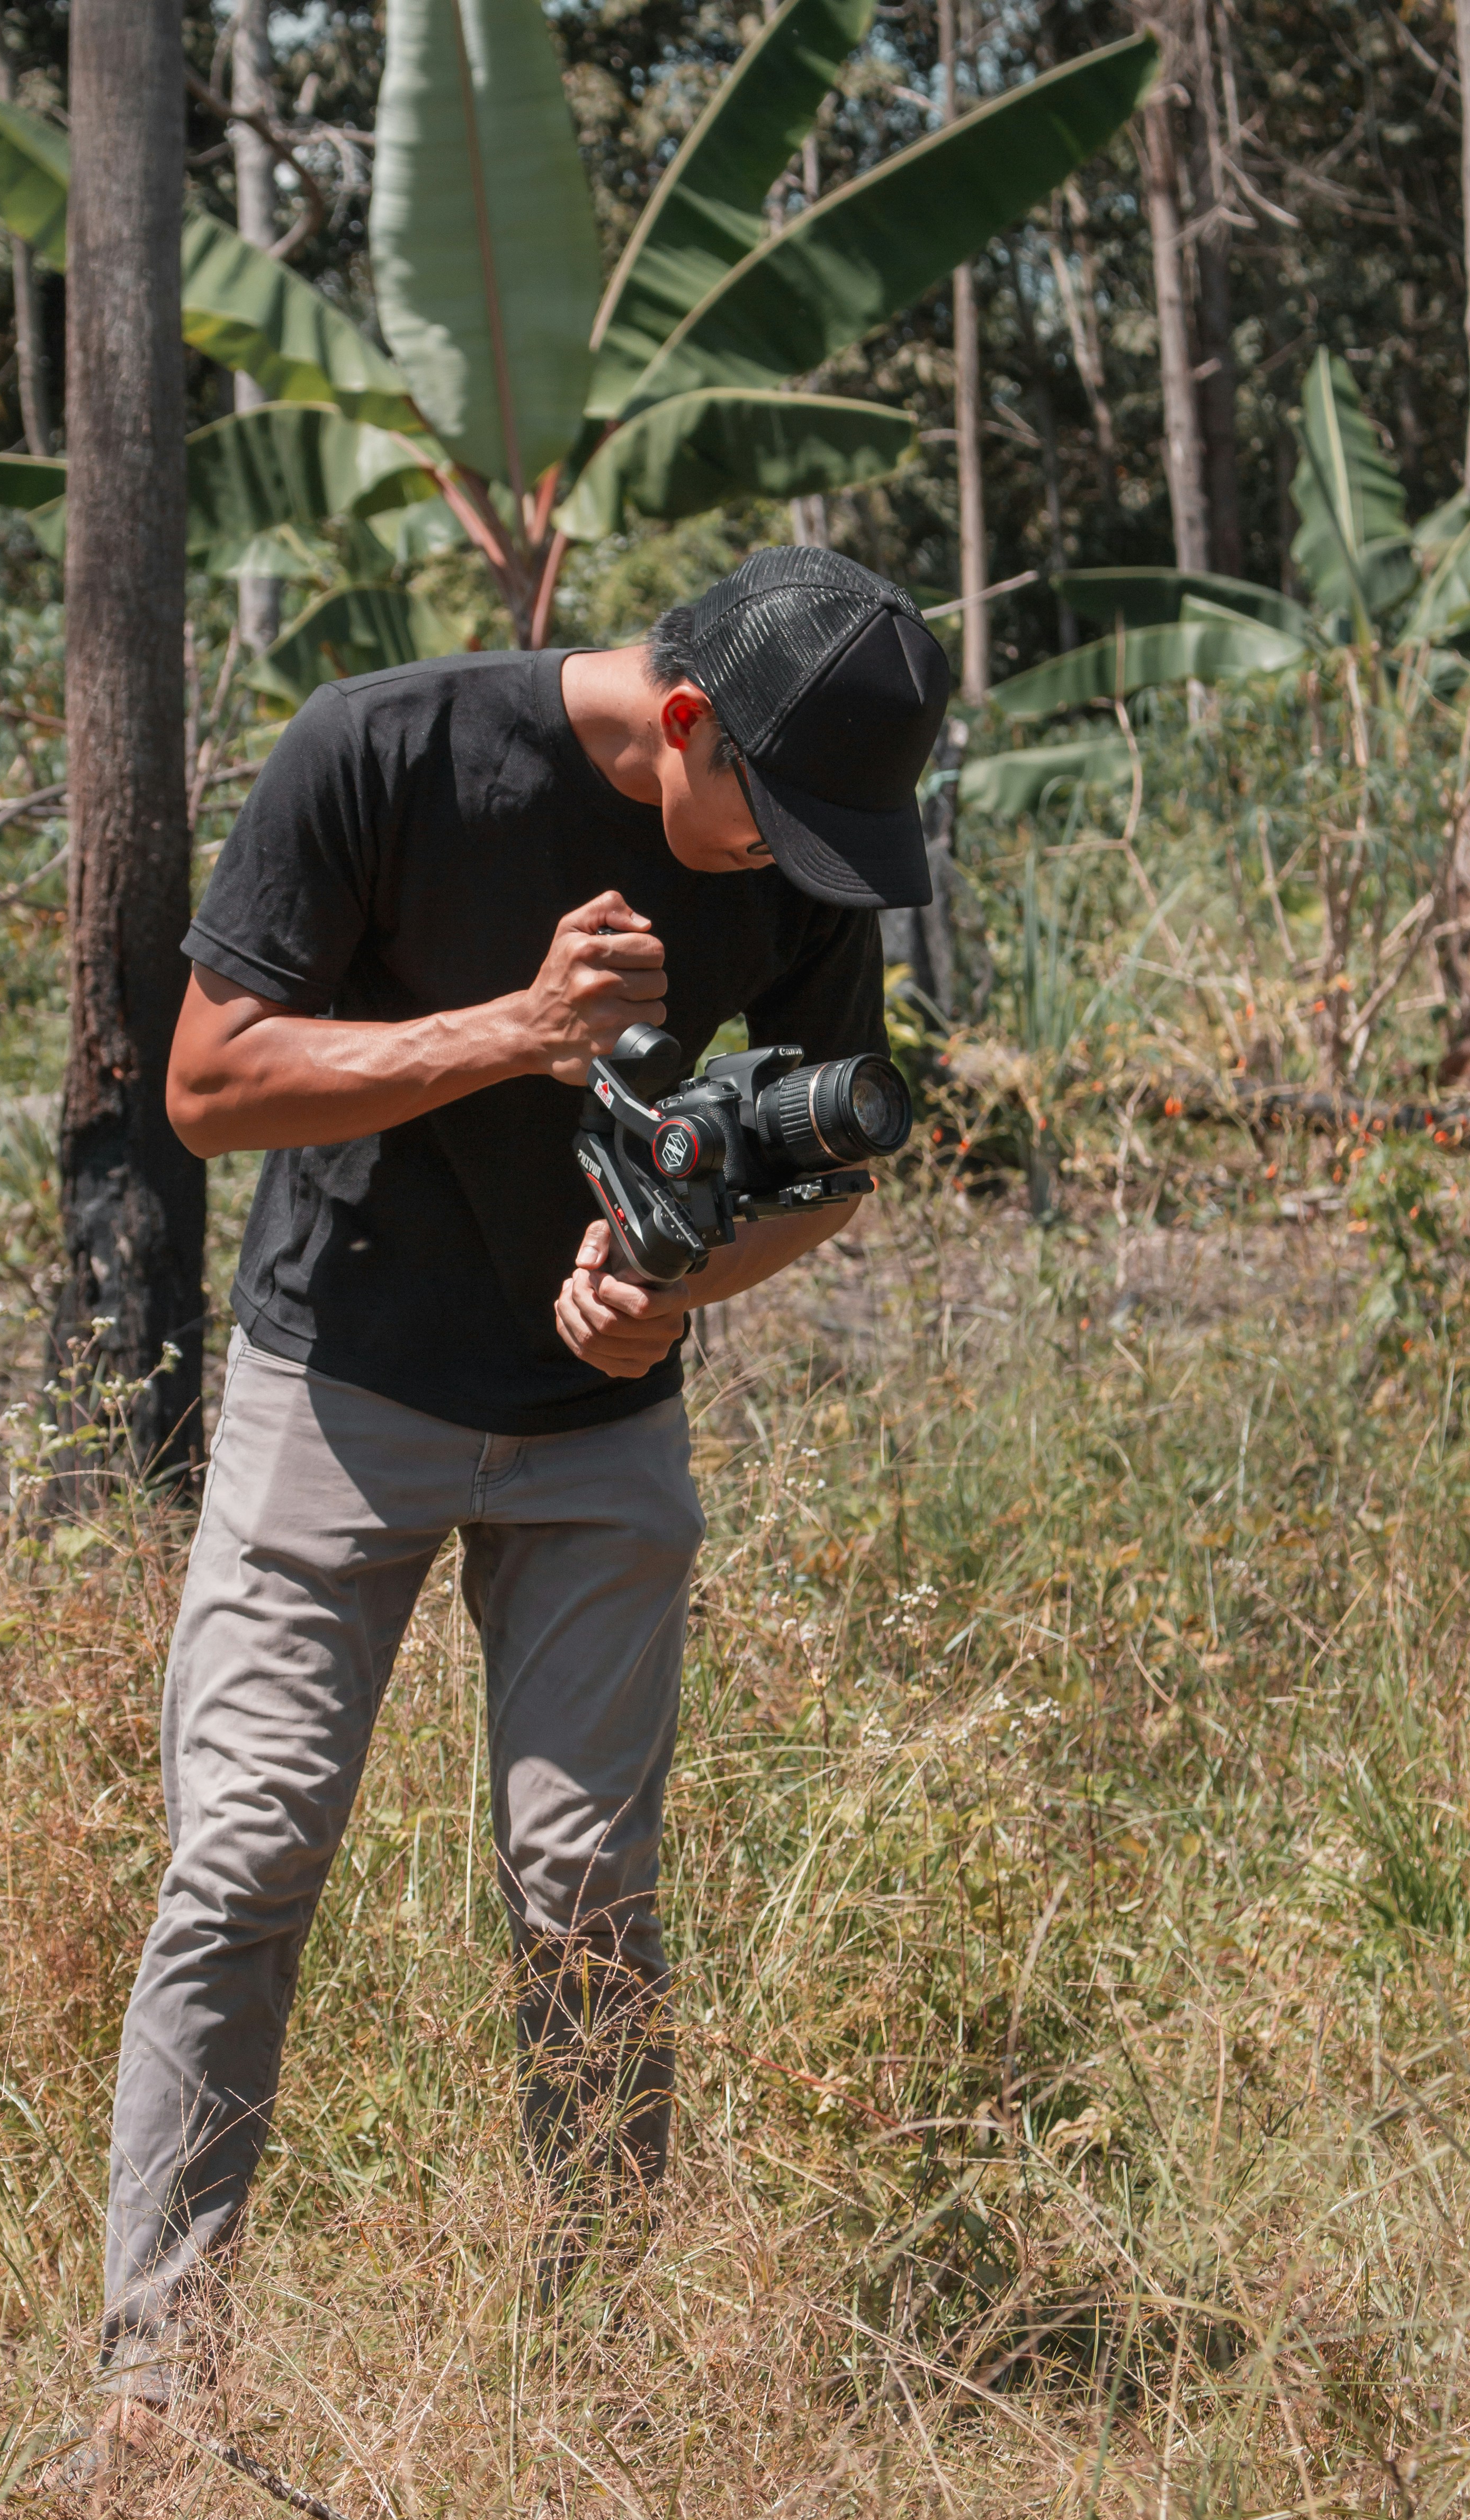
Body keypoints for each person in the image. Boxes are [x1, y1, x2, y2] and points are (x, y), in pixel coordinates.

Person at [98, 544, 949, 2413]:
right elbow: (209, 1088)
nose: (796, 870)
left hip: (600, 1428)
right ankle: (151, 2397)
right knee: (244, 1862)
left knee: (588, 1899)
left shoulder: (794, 846)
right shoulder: (380, 750)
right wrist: (513, 1031)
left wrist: (669, 1289)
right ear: (689, 721)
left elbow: (829, 1164)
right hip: (341, 1388)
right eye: (778, 823)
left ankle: (588, 2395)